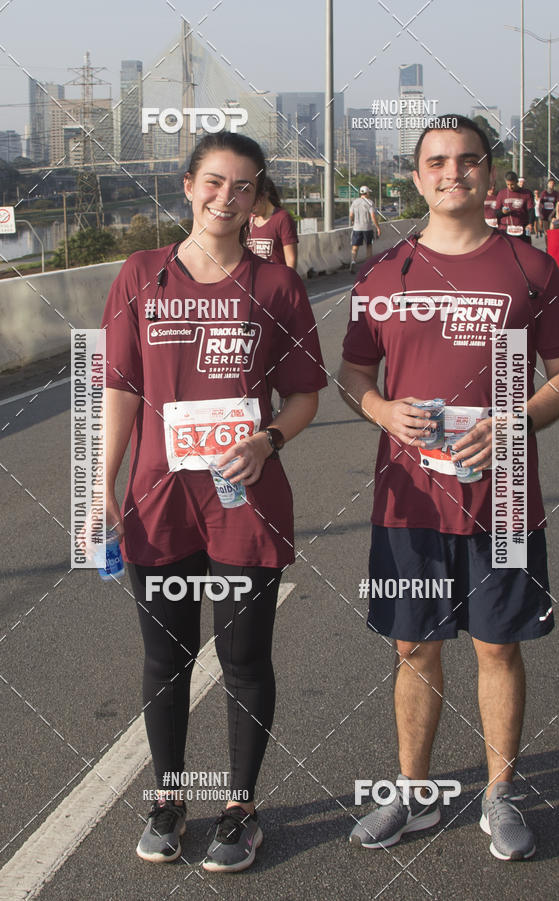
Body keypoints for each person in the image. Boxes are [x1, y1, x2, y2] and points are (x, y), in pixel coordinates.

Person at [338, 115, 559, 861]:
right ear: (417, 178)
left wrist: (518, 425)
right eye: (437, 162)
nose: (453, 173)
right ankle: (413, 794)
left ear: (488, 173)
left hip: (502, 497)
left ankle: (499, 793)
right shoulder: (384, 273)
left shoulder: (529, 268)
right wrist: (381, 409)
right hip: (408, 503)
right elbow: (353, 377)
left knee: (497, 646)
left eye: (468, 160)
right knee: (413, 645)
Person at [101, 131, 327, 872]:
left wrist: (267, 440)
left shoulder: (277, 287)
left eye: (243, 187)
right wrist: (99, 483)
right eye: (213, 182)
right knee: (164, 660)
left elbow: (303, 396)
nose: (226, 198)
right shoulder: (140, 274)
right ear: (188, 184)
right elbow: (122, 389)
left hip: (244, 500)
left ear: (258, 197)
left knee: (243, 659)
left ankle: (239, 808)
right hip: (159, 501)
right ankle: (168, 799)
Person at [247, 176, 298, 268]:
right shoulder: (250, 220)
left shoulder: (282, 218)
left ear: (264, 195)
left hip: (276, 279)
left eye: (253, 201)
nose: (250, 208)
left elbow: (291, 259)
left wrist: (288, 281)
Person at [495, 171, 534, 242]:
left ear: (517, 181)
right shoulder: (501, 193)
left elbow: (531, 210)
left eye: (512, 184)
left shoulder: (527, 193)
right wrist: (503, 212)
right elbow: (496, 213)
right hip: (505, 230)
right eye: (508, 184)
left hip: (522, 230)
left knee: (524, 252)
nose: (510, 187)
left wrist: (530, 223)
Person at [349, 185, 381, 272]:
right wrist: (378, 227)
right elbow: (373, 216)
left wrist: (353, 221)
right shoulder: (370, 203)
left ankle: (353, 261)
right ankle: (368, 265)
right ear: (366, 193)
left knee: (355, 247)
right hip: (367, 228)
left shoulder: (354, 202)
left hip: (356, 228)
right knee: (369, 246)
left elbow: (351, 215)